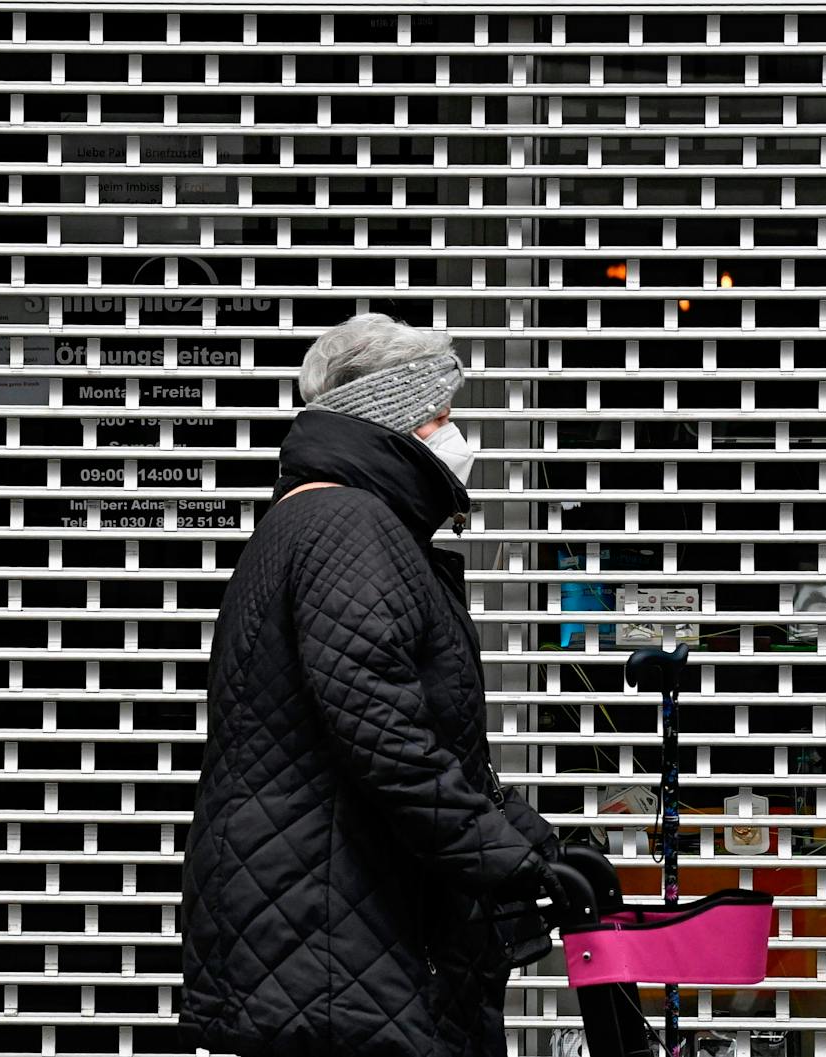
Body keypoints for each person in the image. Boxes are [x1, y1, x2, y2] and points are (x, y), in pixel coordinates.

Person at [180, 314, 564, 1057]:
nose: (455, 437)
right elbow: (385, 734)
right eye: (441, 416)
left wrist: (533, 841)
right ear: (391, 417)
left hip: (316, 926)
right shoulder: (348, 523)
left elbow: (401, 727)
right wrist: (505, 856)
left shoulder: (311, 519)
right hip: (337, 936)